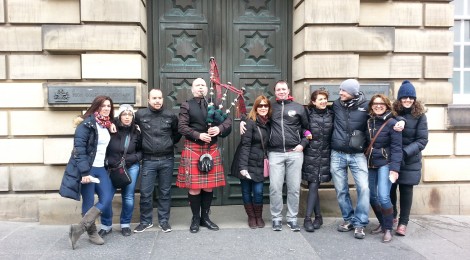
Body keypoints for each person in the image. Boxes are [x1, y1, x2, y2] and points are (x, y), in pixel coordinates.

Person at [241, 80, 309, 232]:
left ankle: (292, 219)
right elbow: (257, 117)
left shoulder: (299, 108)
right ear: (275, 91)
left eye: (284, 89)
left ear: (288, 90)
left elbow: (307, 129)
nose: (281, 91)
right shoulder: (271, 108)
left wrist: (303, 144)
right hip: (275, 153)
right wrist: (243, 121)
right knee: (275, 187)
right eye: (278, 89)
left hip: (295, 153)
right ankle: (276, 218)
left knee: (293, 188)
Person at [59, 95, 115, 249]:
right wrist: (84, 173)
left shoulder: (107, 125)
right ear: (96, 106)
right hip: (88, 169)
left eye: (109, 106)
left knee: (107, 197)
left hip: (101, 169)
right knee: (89, 201)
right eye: (103, 105)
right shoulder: (86, 125)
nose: (106, 108)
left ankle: (78, 229)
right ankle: (92, 233)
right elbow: (79, 150)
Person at [177, 77, 232, 233]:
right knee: (194, 188)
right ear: (192, 89)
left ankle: (205, 218)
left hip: (211, 149)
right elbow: (181, 127)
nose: (200, 87)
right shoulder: (186, 105)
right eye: (197, 85)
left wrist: (219, 128)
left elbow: (228, 121)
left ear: (207, 89)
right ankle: (195, 218)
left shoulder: (215, 105)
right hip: (194, 148)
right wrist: (198, 135)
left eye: (203, 85)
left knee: (208, 187)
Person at [133, 89, 181, 233]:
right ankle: (146, 221)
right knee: (146, 192)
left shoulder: (170, 115)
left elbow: (177, 133)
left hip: (167, 159)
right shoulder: (140, 115)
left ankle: (164, 221)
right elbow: (125, 122)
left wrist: (169, 143)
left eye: (160, 98)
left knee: (165, 192)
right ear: (148, 100)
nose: (157, 101)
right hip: (148, 160)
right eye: (154, 98)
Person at [330, 79, 371, 239]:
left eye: (344, 91)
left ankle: (360, 223)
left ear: (353, 93)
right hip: (337, 153)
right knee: (341, 190)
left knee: (364, 188)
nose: (340, 93)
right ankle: (348, 219)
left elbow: (383, 118)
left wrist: (400, 122)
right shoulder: (336, 105)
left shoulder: (366, 106)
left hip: (357, 155)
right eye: (340, 90)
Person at [390, 80, 428, 236]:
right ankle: (392, 215)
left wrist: (404, 153)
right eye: (404, 97)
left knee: (406, 190)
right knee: (390, 190)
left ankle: (403, 223)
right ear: (400, 98)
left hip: (409, 159)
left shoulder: (420, 116)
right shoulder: (393, 113)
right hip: (392, 159)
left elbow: (422, 140)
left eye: (410, 97)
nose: (407, 100)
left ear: (414, 99)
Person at [99, 104, 142, 237]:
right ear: (120, 116)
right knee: (106, 197)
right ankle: (106, 225)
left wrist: (132, 158)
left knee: (128, 197)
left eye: (130, 114)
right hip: (112, 168)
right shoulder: (110, 128)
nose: (127, 117)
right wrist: (107, 161)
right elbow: (102, 147)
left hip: (131, 167)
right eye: (124, 114)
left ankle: (125, 224)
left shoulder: (136, 131)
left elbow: (142, 151)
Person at [366, 94, 403, 243]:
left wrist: (394, 168)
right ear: (371, 106)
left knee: (383, 196)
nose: (378, 106)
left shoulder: (392, 123)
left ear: (387, 105)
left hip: (385, 164)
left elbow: (396, 148)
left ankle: (388, 228)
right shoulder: (369, 121)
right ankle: (382, 223)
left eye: (381, 103)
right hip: (370, 163)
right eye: (375, 103)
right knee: (370, 195)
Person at [231, 95, 271, 229]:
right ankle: (251, 217)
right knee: (246, 190)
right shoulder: (250, 122)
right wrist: (243, 167)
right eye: (260, 105)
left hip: (259, 162)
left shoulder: (269, 122)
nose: (263, 108)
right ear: (256, 107)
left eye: (266, 105)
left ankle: (259, 216)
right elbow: (245, 145)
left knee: (258, 191)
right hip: (246, 161)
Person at [302, 90, 334, 232]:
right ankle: (312, 218)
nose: (323, 101)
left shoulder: (332, 114)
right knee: (313, 185)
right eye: (320, 99)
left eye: (325, 99)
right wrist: (305, 132)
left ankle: (315, 217)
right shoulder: (307, 114)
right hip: (310, 154)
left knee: (314, 185)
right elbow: (301, 127)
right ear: (313, 101)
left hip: (326, 154)